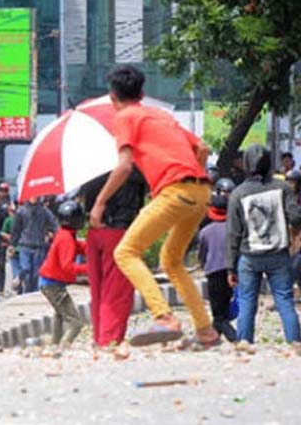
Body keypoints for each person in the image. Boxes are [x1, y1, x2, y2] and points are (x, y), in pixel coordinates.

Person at [89, 64, 219, 347]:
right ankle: (205, 330)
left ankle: (164, 317)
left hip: (175, 192)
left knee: (125, 252)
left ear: (113, 98)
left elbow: (123, 167)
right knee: (171, 261)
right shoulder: (160, 115)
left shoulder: (124, 117)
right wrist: (193, 176)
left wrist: (99, 203)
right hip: (201, 191)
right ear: (143, 93)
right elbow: (203, 149)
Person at [227, 145, 301, 353]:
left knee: (247, 301)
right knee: (285, 299)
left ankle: (245, 342)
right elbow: (296, 217)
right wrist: (295, 235)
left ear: (246, 165)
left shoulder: (238, 193)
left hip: (249, 256)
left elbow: (233, 234)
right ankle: (294, 342)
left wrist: (230, 268)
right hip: (279, 254)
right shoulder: (283, 188)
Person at [82, 167, 146, 347]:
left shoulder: (93, 160)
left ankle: (99, 335)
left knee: (98, 289)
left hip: (95, 230)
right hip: (119, 228)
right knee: (117, 290)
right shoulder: (127, 164)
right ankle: (109, 339)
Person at [38, 201, 88, 348]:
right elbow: (67, 266)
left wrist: (91, 247)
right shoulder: (66, 238)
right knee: (75, 322)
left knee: (60, 315)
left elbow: (79, 246)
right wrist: (88, 268)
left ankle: (54, 344)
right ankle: (63, 346)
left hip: (49, 282)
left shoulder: (65, 234)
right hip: (53, 285)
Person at [198, 179, 237, 342]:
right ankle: (212, 339)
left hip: (213, 273)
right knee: (223, 308)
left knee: (218, 313)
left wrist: (202, 266)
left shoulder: (205, 232)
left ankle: (234, 338)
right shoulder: (233, 229)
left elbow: (202, 255)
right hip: (230, 272)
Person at [11, 196, 58, 294]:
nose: (34, 198)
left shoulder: (44, 211)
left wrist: (56, 235)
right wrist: (12, 245)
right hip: (25, 245)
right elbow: (16, 229)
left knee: (36, 273)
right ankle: (22, 283)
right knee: (26, 269)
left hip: (39, 245)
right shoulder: (21, 211)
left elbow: (54, 224)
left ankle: (32, 293)